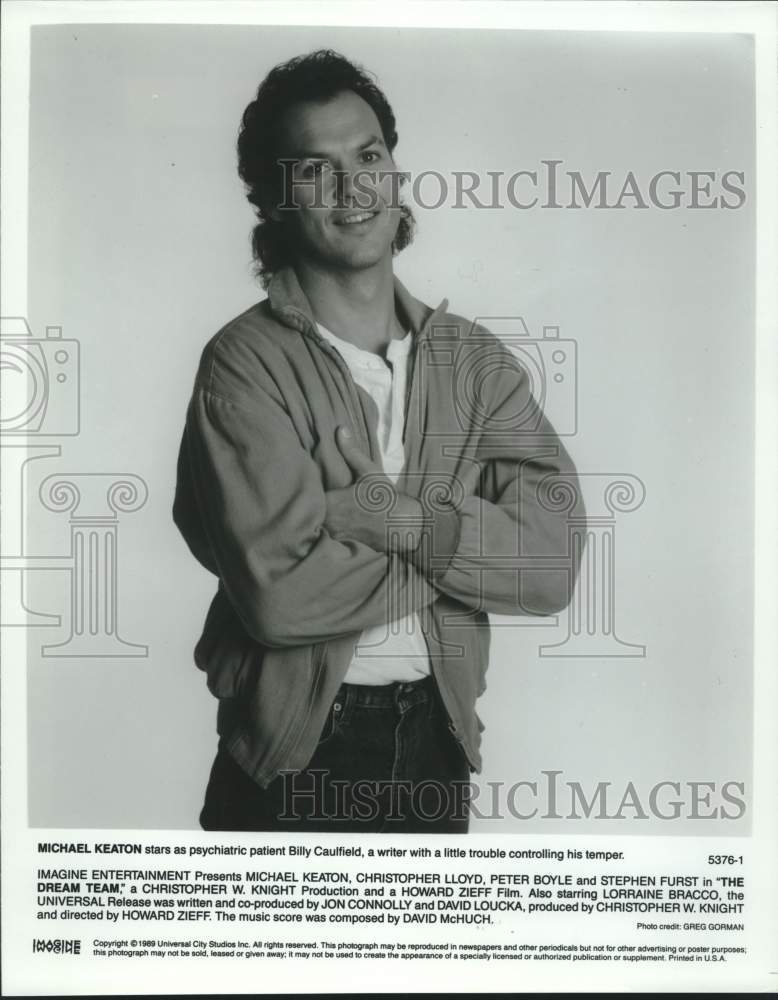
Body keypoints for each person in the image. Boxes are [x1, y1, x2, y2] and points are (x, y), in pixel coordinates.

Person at [173, 49, 583, 833]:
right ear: (274, 199)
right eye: (315, 170)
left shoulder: (474, 361)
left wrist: (401, 523)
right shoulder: (246, 364)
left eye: (368, 156)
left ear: (394, 171)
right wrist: (465, 548)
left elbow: (553, 568)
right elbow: (279, 598)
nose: (353, 188)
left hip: (439, 743)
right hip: (294, 759)